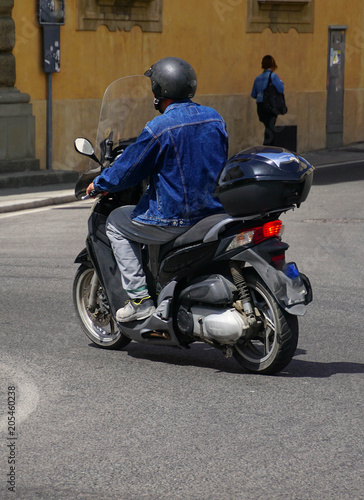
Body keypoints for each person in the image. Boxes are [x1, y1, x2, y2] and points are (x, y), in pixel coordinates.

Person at [86, 57, 228, 322]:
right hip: (213, 212)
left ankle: (139, 300)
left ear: (159, 91)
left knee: (117, 222)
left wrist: (100, 183)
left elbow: (129, 169)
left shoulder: (160, 127)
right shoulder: (215, 118)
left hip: (175, 217)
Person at [251, 55, 284, 146]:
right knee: (270, 128)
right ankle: (268, 148)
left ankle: (268, 147)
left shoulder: (257, 78)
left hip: (261, 106)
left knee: (268, 127)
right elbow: (280, 89)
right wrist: (280, 81)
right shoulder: (273, 76)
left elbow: (253, 94)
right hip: (271, 106)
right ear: (273, 64)